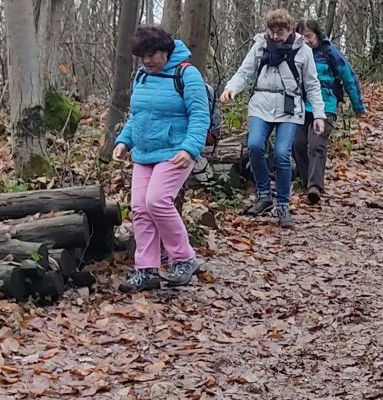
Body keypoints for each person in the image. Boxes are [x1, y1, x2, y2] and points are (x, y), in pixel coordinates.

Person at [110, 25, 212, 293]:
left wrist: (190, 149)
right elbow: (138, 115)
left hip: (176, 153)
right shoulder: (142, 76)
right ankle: (146, 270)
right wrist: (123, 141)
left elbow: (200, 116)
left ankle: (184, 258)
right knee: (140, 209)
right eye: (142, 56)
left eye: (151, 54)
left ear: (166, 51)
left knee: (157, 201)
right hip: (144, 152)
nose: (146, 60)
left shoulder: (187, 74)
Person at [221, 9, 327, 229]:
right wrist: (231, 88)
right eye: (273, 30)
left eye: (281, 31)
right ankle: (263, 194)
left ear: (290, 29)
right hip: (261, 104)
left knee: (281, 154)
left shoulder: (303, 51)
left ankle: (283, 203)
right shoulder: (259, 46)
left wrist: (318, 114)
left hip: (290, 107)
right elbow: (245, 72)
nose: (277, 35)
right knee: (255, 146)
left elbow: (312, 85)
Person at [295, 20, 368, 205]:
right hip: (301, 106)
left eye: (309, 36)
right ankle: (306, 182)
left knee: (316, 143)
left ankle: (314, 186)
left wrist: (358, 106)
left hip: (326, 104)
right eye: (302, 37)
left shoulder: (329, 52)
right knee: (297, 144)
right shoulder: (296, 53)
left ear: (317, 35)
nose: (306, 41)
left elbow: (348, 77)